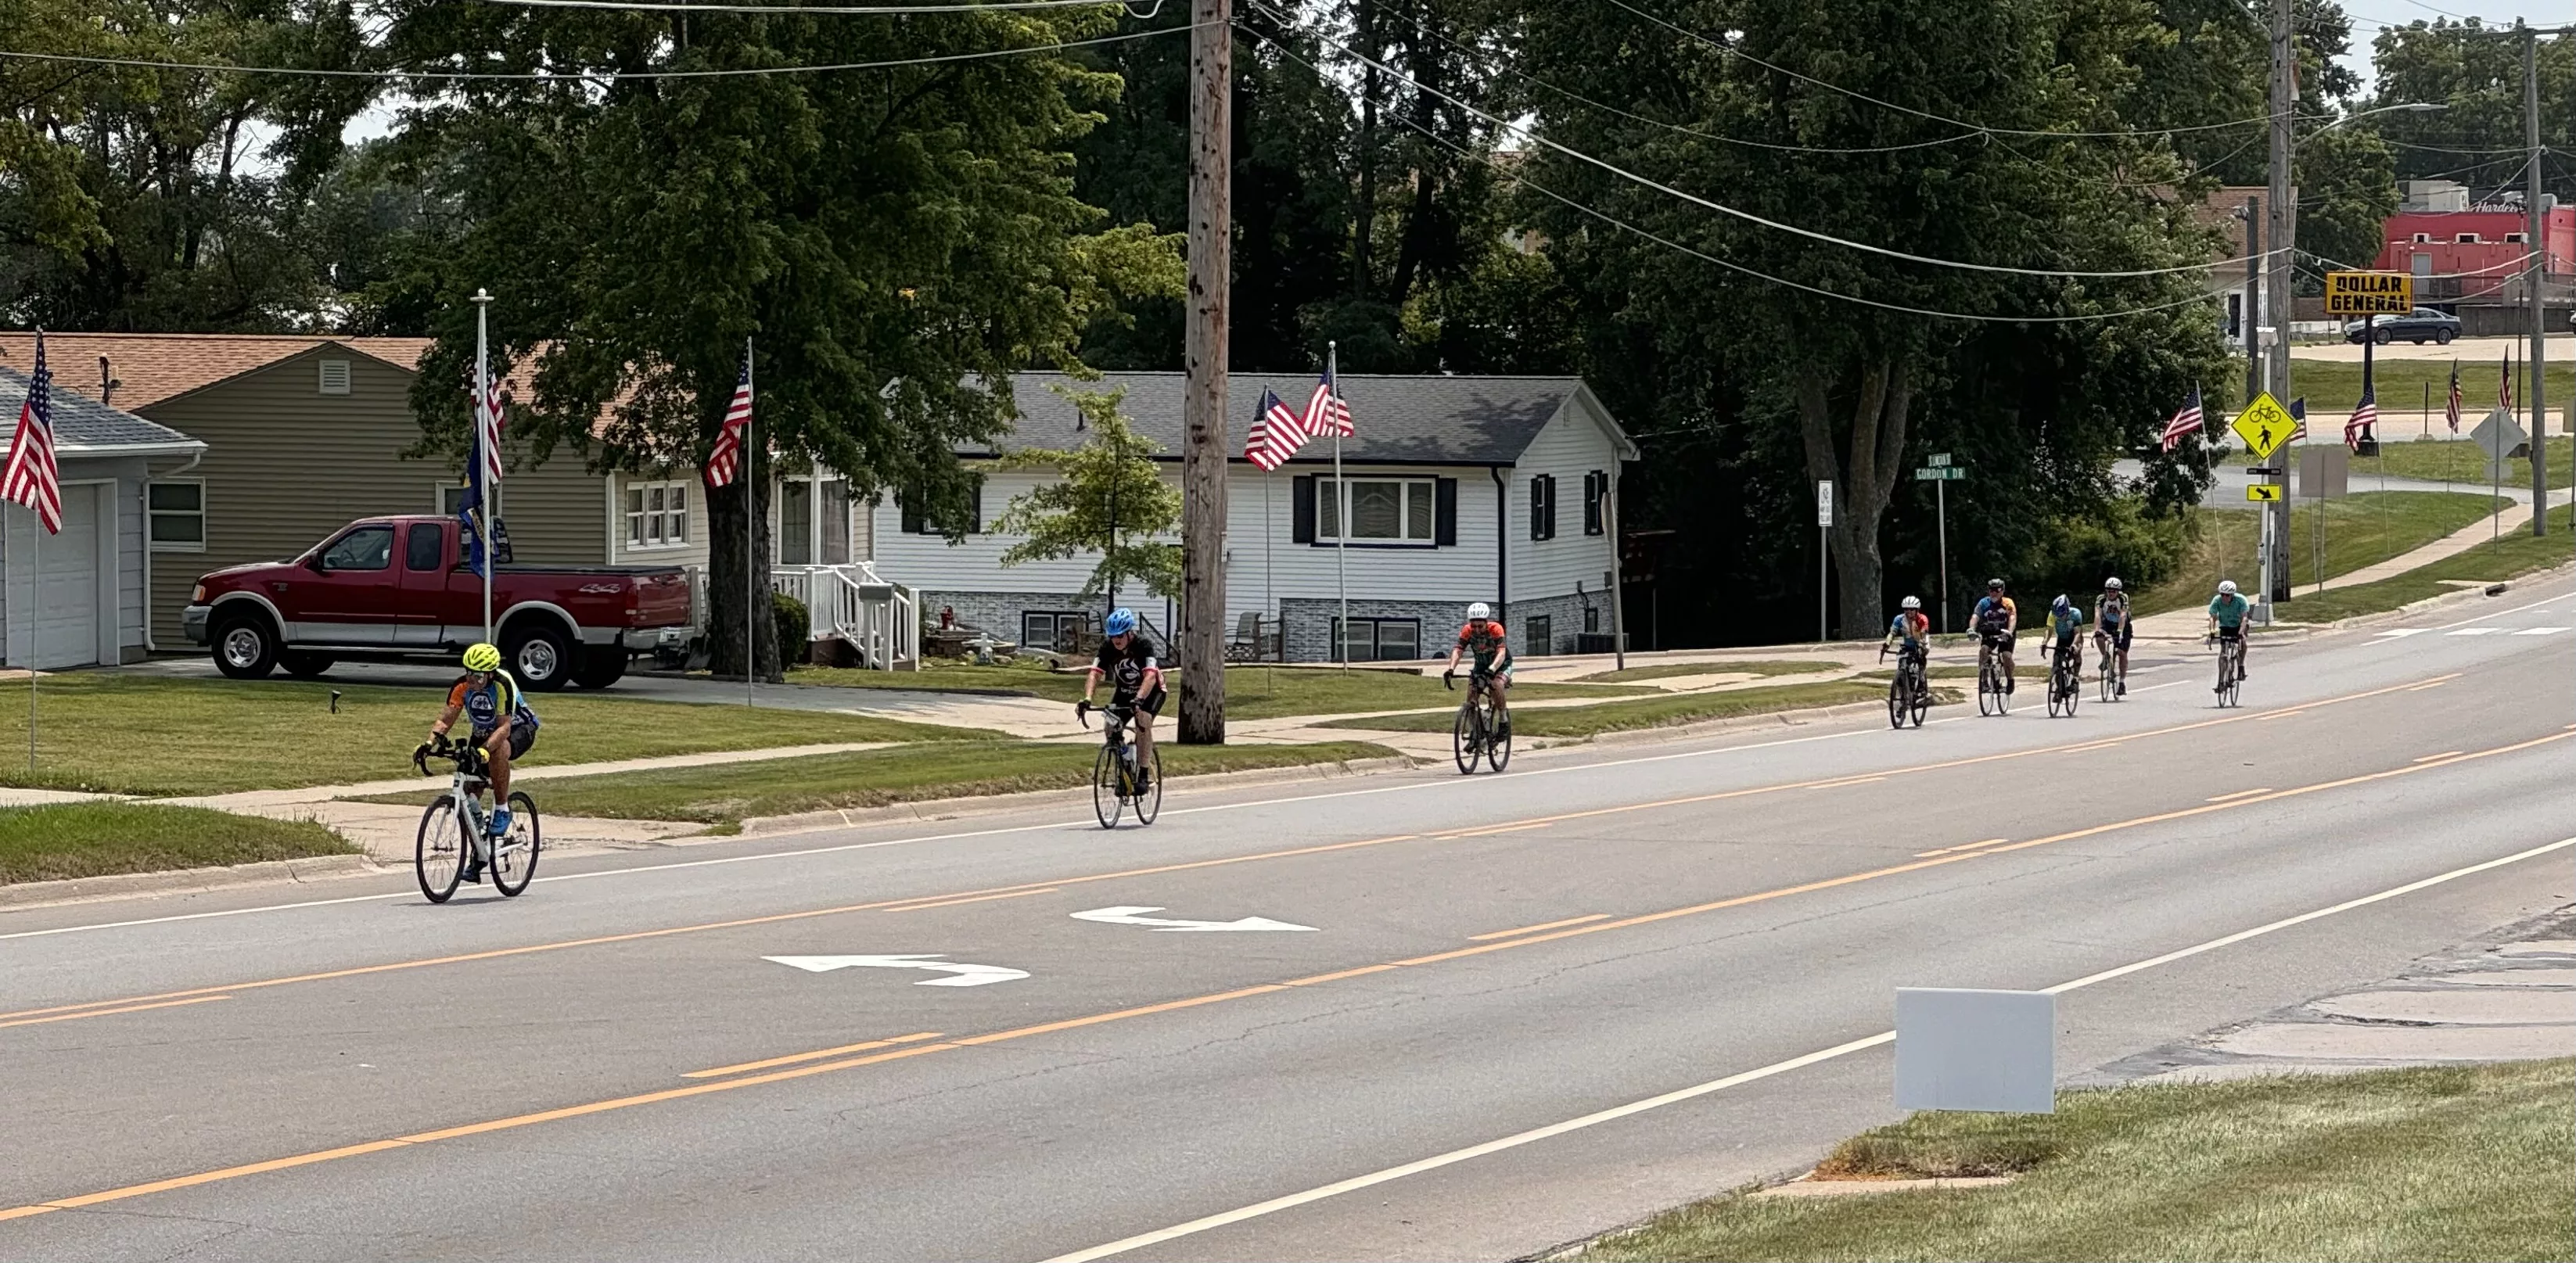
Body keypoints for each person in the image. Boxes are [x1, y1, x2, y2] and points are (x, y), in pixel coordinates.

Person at [419, 642, 540, 884]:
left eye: (477, 675)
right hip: (484, 731)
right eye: (468, 672)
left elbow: (504, 727)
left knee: (497, 752)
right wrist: (429, 743)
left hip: (517, 728)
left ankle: (503, 809)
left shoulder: (502, 685)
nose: (471, 678)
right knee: (469, 789)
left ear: (490, 674)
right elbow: (447, 717)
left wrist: (484, 751)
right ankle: (479, 856)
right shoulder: (462, 686)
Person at [1081, 608, 1165, 794]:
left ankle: (1143, 774)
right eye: (1112, 636)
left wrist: (1139, 698)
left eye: (1120, 635)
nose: (1116, 640)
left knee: (1142, 720)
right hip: (1124, 692)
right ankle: (1126, 762)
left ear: (1129, 632)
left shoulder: (1143, 644)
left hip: (1151, 691)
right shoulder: (1108, 647)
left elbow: (1151, 675)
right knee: (1110, 726)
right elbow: (1095, 673)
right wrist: (1087, 699)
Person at [1445, 601, 1513, 728]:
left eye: (1480, 626)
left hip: (1501, 665)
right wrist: (1450, 670)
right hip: (1481, 666)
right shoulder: (1467, 630)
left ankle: (1503, 719)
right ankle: (1475, 734)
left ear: (1486, 623)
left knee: (1495, 684)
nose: (1476, 630)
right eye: (1473, 626)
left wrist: (1492, 669)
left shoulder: (1496, 629)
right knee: (1471, 698)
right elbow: (1458, 650)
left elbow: (1501, 652)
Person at [1970, 578, 2019, 692]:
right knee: (1983, 650)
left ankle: (2010, 680)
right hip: (1989, 632)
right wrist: (1971, 629)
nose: (1994, 593)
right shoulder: (1984, 603)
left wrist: (2010, 632)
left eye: (1997, 590)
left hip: (2005, 632)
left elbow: (2012, 617)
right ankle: (1984, 680)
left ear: (2002, 591)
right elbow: (1975, 616)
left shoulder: (2008, 603)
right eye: (1991, 590)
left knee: (2006, 656)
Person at [2207, 579, 2252, 686]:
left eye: (2227, 595)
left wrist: (2241, 632)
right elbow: (2212, 618)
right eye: (2222, 594)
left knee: (2243, 642)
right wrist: (2212, 631)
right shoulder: (2217, 601)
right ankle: (2221, 681)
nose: (2224, 597)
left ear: (2232, 594)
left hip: (2238, 625)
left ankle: (2241, 666)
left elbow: (2244, 618)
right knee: (2223, 652)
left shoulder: (2241, 600)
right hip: (2225, 626)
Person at [2093, 577, 2132, 696]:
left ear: (2118, 591)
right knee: (2099, 637)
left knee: (2122, 653)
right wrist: (2097, 630)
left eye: (2114, 591)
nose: (2111, 593)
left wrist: (2119, 631)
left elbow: (2123, 615)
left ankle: (2122, 682)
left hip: (2123, 626)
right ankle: (2106, 657)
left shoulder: (2123, 598)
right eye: (2109, 591)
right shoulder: (2101, 599)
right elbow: (2098, 615)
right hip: (2108, 624)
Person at [1884, 595, 1931, 669]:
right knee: (1901, 663)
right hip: (1907, 645)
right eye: (1906, 609)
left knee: (1921, 656)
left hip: (1922, 641)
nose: (1908, 611)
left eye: (1911, 609)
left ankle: (1922, 673)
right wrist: (1887, 643)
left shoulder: (1922, 619)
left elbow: (1924, 631)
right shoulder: (1898, 619)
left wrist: (1921, 642)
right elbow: (1892, 633)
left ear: (1917, 610)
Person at [2045, 595, 2083, 682]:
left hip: (2075, 638)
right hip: (2062, 639)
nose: (2059, 617)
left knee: (2076, 654)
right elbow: (2049, 630)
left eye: (2061, 615)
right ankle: (2060, 688)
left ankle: (2075, 678)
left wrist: (2074, 644)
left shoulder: (2076, 614)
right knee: (2056, 662)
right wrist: (2045, 642)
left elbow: (2078, 633)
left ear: (2067, 610)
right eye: (2057, 615)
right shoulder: (2052, 614)